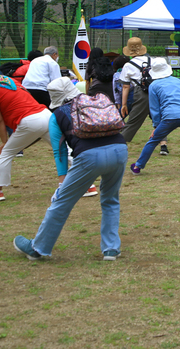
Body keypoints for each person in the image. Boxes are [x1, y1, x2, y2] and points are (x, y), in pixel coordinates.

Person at [12, 78, 128, 261]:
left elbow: (60, 152)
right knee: (111, 200)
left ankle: (38, 248)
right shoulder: (95, 102)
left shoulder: (57, 115)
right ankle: (111, 249)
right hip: (119, 150)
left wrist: (61, 181)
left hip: (89, 157)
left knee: (61, 202)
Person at [0, 60, 54, 202]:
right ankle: (87, 185)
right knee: (63, 150)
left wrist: (3, 142)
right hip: (46, 115)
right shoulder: (6, 79)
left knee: (5, 153)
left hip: (30, 121)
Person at [130, 59, 180, 175]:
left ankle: (138, 166)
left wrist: (156, 126)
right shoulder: (177, 81)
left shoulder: (153, 85)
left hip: (170, 116)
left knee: (153, 140)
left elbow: (155, 108)